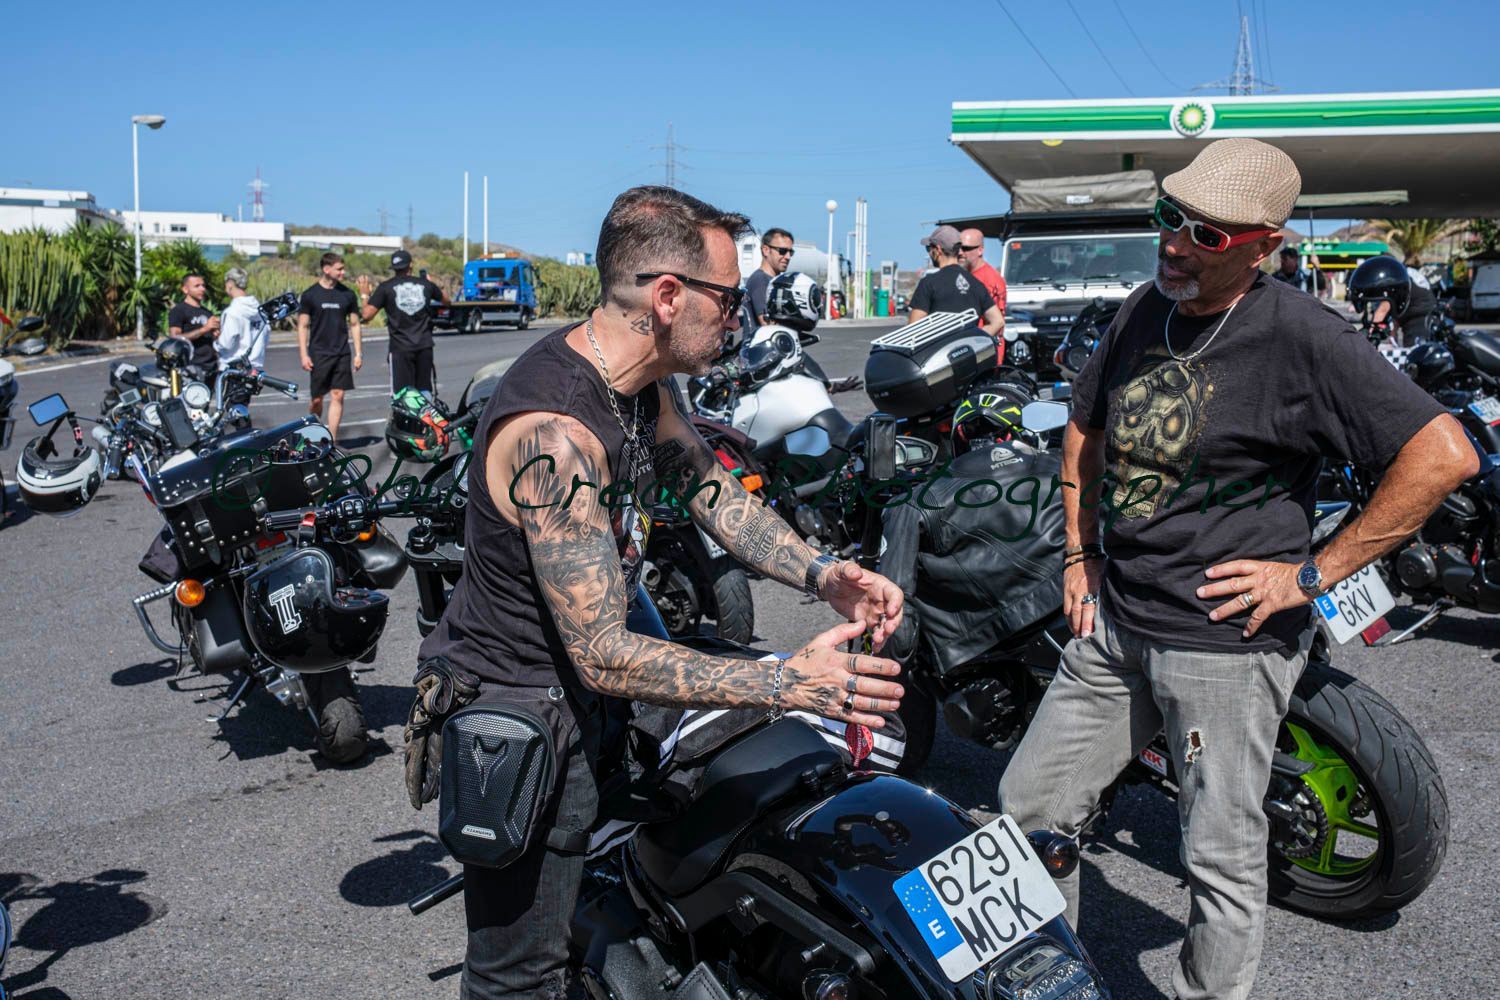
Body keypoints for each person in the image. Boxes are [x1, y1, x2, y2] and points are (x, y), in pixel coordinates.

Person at [996, 138, 1478, 1000]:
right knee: (1028, 810)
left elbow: (1443, 457)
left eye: (1208, 235)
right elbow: (1084, 427)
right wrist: (1081, 553)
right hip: (1116, 623)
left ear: (1266, 244)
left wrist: (1308, 577)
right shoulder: (1145, 307)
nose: (1176, 244)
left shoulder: (1304, 336)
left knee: (1219, 861)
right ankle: (1043, 982)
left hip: (1224, 646)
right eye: (1168, 219)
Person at [410, 186, 907, 1000]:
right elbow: (603, 654)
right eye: (724, 295)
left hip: (594, 701)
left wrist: (824, 575)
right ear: (667, 296)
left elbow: (711, 492)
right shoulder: (557, 435)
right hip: (525, 716)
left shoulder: (639, 384)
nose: (738, 313)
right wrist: (791, 683)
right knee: (517, 975)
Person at [357, 250, 448, 397]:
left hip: (400, 347)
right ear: (410, 265)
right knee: (424, 390)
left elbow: (366, 315)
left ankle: (405, 419)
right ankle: (425, 419)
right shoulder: (425, 285)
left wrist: (364, 294)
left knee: (402, 394)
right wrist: (434, 285)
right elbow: (446, 301)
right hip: (424, 345)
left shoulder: (386, 288)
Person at [297, 252, 362, 441]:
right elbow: (302, 326)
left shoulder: (348, 295)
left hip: (341, 352)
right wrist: (304, 355)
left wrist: (358, 353)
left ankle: (331, 440)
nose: (343, 272)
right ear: (327, 269)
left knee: (338, 394)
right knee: (317, 399)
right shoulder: (310, 295)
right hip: (318, 353)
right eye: (339, 269)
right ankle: (314, 433)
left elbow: (355, 324)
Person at [907, 225, 1003, 340]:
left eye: (929, 249)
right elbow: (998, 321)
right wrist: (974, 341)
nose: (929, 253)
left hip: (938, 355)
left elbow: (913, 329)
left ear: (938, 250)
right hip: (968, 355)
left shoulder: (929, 283)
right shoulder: (976, 284)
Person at [958, 227, 1008, 353]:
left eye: (966, 248)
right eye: (958, 247)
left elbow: (997, 325)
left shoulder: (991, 280)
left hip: (984, 351)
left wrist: (972, 342)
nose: (960, 252)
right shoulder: (964, 276)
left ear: (980, 250)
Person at [167, 274, 220, 379]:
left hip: (211, 366)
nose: (202, 289)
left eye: (203, 285)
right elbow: (175, 337)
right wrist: (204, 329)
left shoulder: (207, 312)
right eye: (197, 286)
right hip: (190, 368)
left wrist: (216, 334)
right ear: (185, 289)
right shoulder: (178, 311)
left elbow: (213, 337)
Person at [216, 267, 268, 370]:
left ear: (230, 284)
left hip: (233, 368)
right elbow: (265, 337)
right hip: (255, 367)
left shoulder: (232, 312)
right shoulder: (260, 310)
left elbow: (226, 344)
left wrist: (215, 342)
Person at [745, 227, 795, 326]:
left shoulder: (774, 282)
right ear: (766, 250)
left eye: (791, 252)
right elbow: (767, 323)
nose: (788, 257)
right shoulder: (760, 280)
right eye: (782, 251)